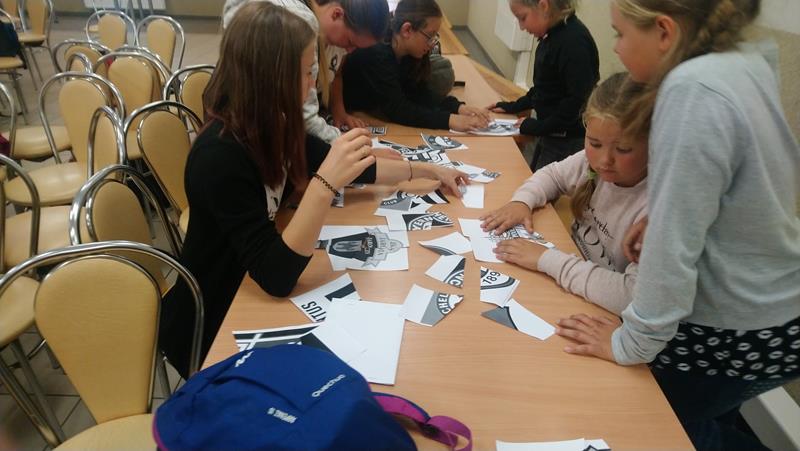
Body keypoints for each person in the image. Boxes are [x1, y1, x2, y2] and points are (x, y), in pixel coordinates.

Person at [160, 2, 468, 378]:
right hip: (214, 320)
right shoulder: (220, 155)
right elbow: (276, 276)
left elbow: (352, 168)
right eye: (306, 72)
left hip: (249, 289)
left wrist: (425, 169)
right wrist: (324, 185)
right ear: (271, 76)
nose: (312, 84)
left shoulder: (273, 119)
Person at [555, 1, 800, 449]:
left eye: (620, 34)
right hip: (779, 308)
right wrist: (658, 214)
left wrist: (628, 345)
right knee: (708, 413)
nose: (617, 49)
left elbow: (670, 256)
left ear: (665, 32)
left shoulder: (690, 89)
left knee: (653, 426)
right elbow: (733, 175)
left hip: (737, 323)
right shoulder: (741, 57)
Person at [481, 73, 646, 315]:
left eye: (623, 149)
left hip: (601, 306)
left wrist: (548, 260)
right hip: (572, 276)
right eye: (594, 144)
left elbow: (633, 296)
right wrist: (522, 202)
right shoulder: (588, 163)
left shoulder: (653, 208)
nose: (604, 160)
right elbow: (552, 175)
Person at [222, 0, 390, 143]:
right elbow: (304, 119)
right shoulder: (301, 24)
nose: (350, 50)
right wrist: (347, 145)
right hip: (255, 132)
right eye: (350, 41)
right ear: (337, 14)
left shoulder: (335, 39)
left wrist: (339, 112)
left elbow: (336, 75)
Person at [341, 0, 491, 132]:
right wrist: (450, 120)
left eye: (435, 37)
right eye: (430, 36)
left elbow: (419, 93)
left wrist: (458, 108)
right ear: (407, 30)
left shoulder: (408, 52)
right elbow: (399, 109)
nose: (432, 43)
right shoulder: (377, 52)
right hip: (355, 109)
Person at [488, 0, 599, 171]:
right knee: (533, 177)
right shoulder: (551, 35)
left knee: (542, 184)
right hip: (550, 132)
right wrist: (515, 106)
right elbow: (546, 88)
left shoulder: (574, 42)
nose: (521, 27)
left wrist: (538, 127)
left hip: (566, 140)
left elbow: (577, 102)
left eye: (522, 18)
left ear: (543, 6)